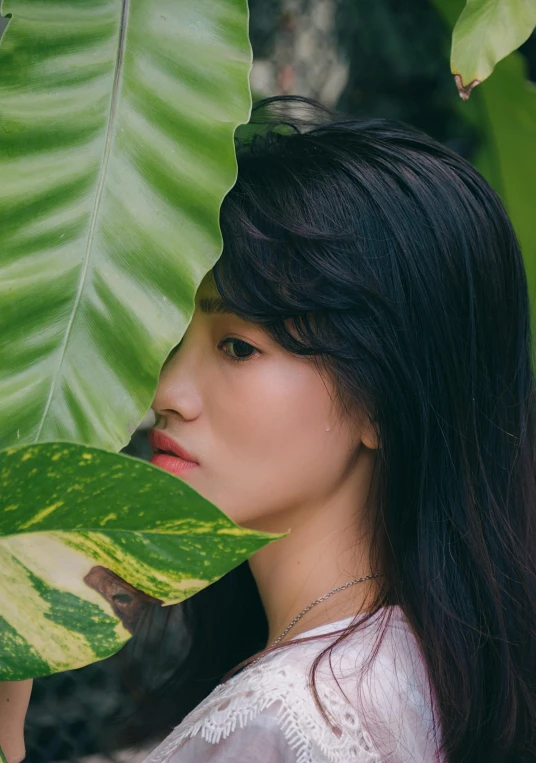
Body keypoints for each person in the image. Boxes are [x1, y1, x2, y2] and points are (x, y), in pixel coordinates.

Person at [2, 94, 535, 763]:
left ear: (382, 399)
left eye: (238, 347)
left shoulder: (281, 724)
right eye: (174, 337)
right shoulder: (409, 671)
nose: (167, 393)